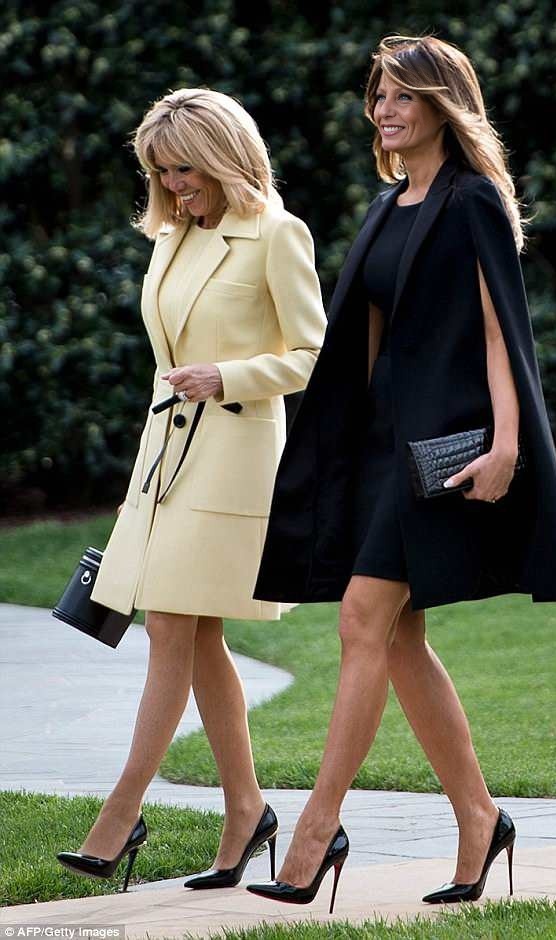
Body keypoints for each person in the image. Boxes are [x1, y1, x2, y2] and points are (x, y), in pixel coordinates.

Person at [246, 35, 556, 911]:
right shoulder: (387, 204)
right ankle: (480, 818)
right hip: (379, 448)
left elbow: (500, 328)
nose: (385, 110)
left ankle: (317, 832)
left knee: (363, 618)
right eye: (379, 96)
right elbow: (365, 331)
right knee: (398, 638)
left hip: (441, 445)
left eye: (404, 96)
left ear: (443, 104)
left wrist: (507, 443)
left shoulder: (472, 200)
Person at [56, 87, 327, 892]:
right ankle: (247, 811)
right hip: (164, 462)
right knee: (197, 637)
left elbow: (315, 354)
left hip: (235, 456)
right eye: (161, 172)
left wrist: (229, 376)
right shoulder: (171, 236)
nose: (173, 186)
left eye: (184, 169)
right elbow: (164, 370)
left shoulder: (277, 233)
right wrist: (138, 483)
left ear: (222, 158)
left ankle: (121, 812)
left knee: (171, 626)